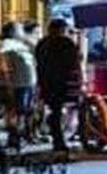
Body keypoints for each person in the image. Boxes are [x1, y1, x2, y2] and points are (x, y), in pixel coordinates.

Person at [34, 19, 82, 153]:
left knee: (55, 110)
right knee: (66, 110)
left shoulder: (42, 44)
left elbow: (38, 62)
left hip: (47, 83)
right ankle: (61, 139)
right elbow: (74, 62)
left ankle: (58, 138)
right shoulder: (66, 43)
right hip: (64, 83)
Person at [0, 21, 36, 149]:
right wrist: (8, 83)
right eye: (19, 29)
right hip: (17, 83)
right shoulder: (6, 44)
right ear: (12, 32)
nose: (22, 32)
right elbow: (2, 62)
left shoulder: (21, 44)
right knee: (16, 111)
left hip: (28, 82)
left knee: (26, 110)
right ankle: (14, 137)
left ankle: (25, 134)